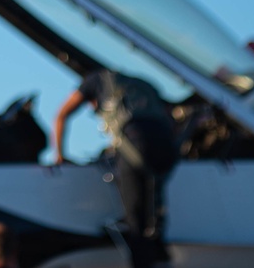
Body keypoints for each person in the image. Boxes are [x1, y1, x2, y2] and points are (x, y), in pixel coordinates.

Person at [54, 70, 179, 268]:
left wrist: (59, 156)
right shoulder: (142, 83)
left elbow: (61, 115)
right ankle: (160, 253)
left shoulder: (94, 81)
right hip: (166, 149)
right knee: (155, 211)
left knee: (136, 220)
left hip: (134, 146)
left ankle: (144, 259)